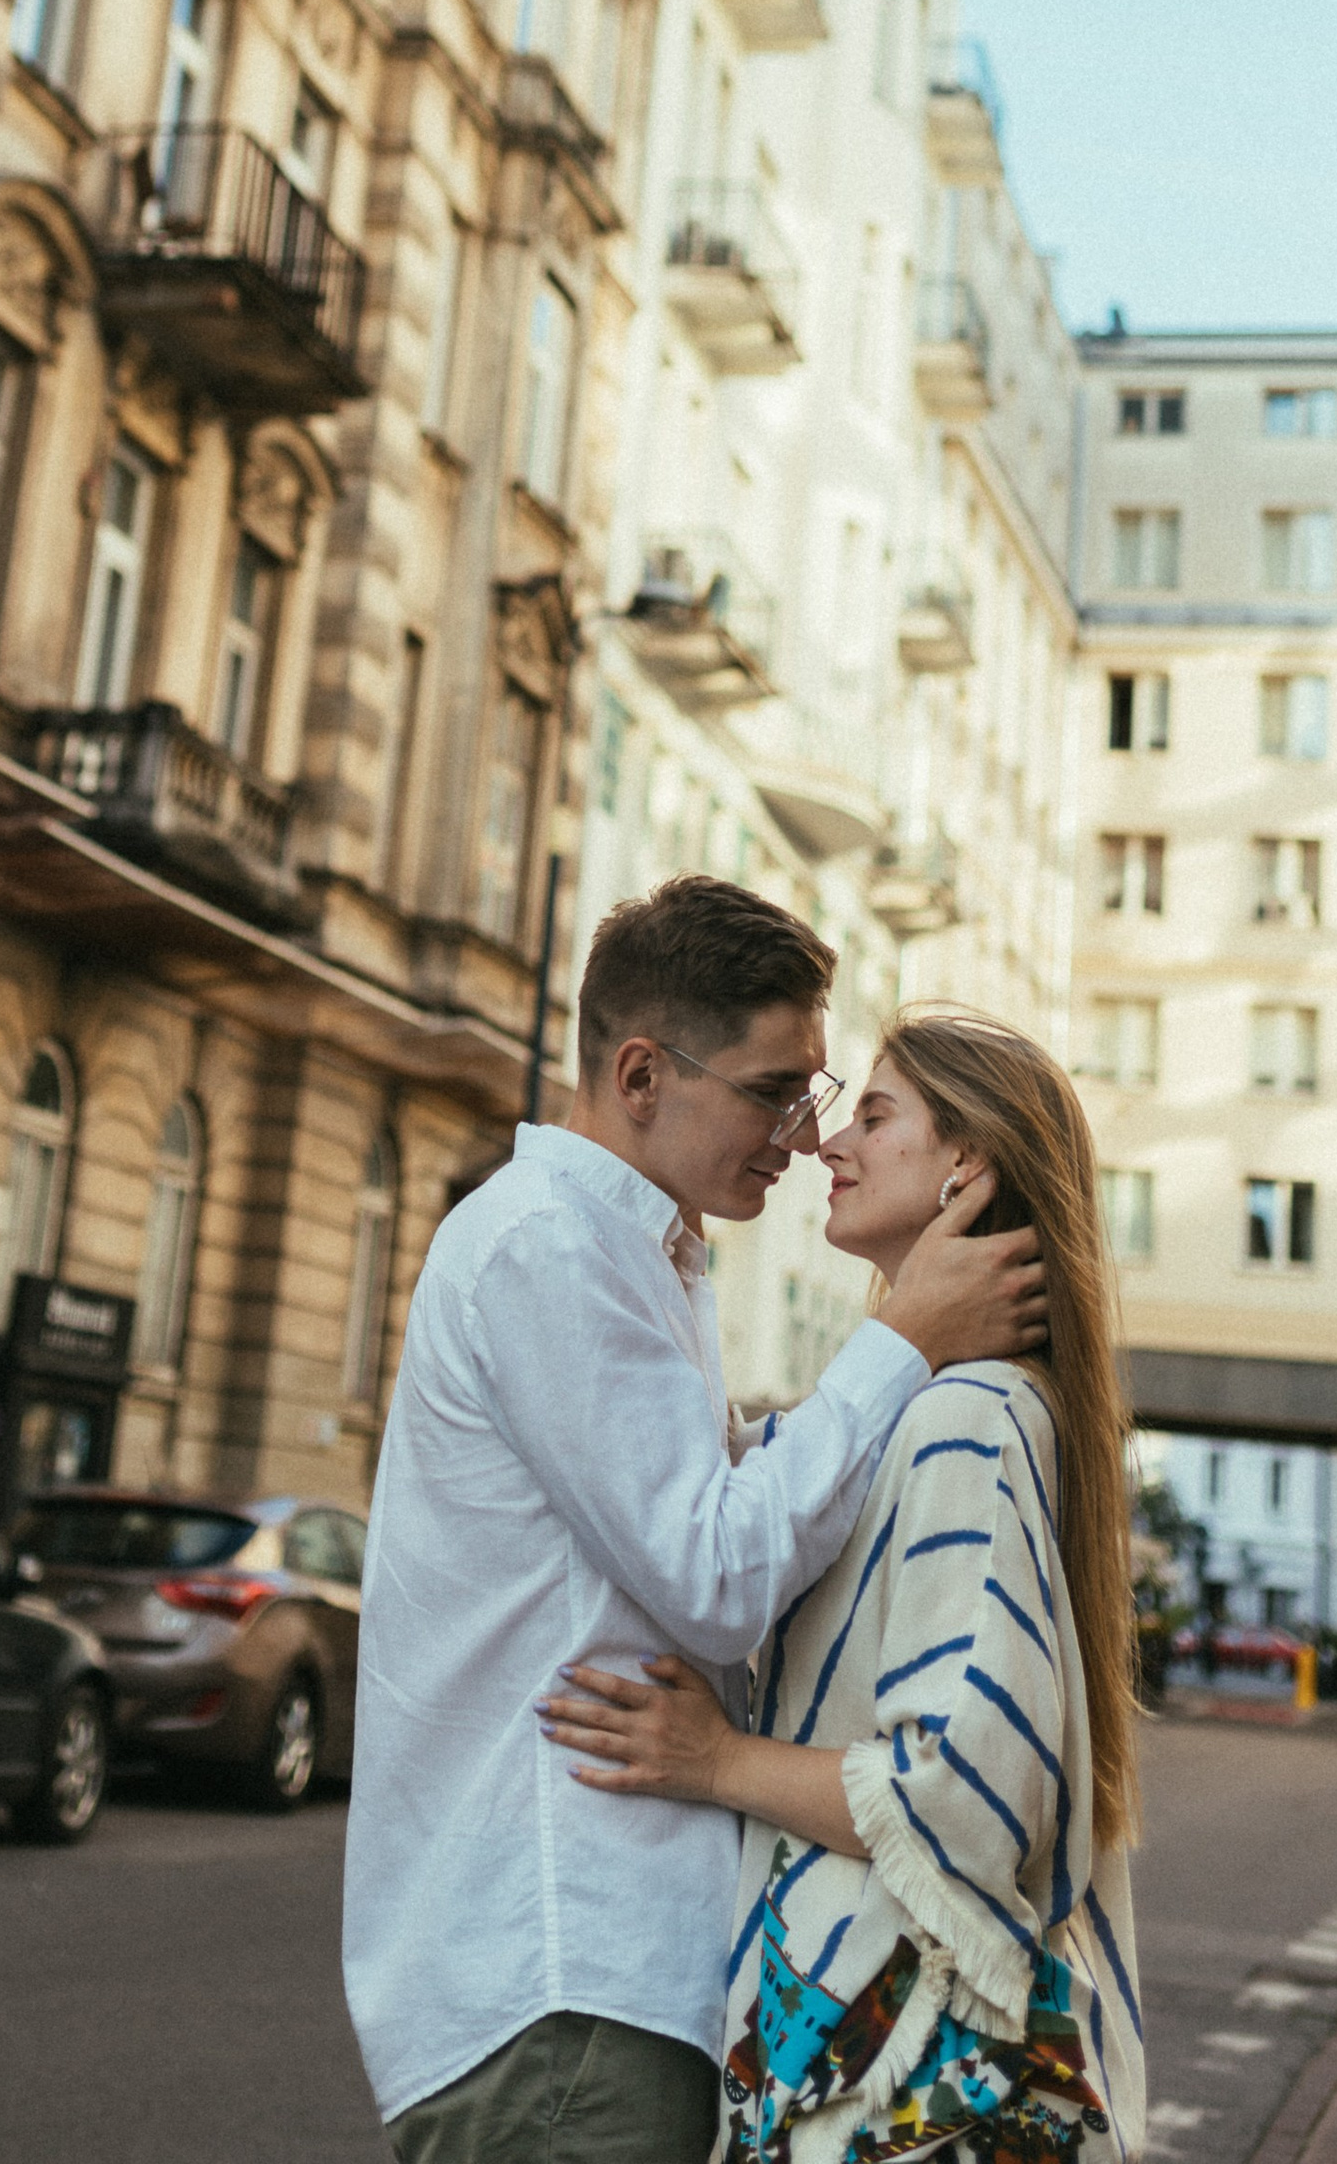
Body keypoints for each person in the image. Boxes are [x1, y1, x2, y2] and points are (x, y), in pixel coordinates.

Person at [345, 882, 1049, 2164]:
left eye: (822, 1096)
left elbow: (724, 1525)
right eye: (775, 1091)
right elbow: (716, 1576)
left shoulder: (638, 1256)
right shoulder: (548, 1249)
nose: (802, 1134)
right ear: (640, 1075)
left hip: (601, 1983)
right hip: (562, 1981)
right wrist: (899, 1339)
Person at [539, 1011, 1144, 2164]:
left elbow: (966, 1791)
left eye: (873, 1115)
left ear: (966, 1164)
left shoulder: (970, 1419)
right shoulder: (928, 1408)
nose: (828, 1143)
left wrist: (715, 1760)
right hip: (861, 2059)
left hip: (890, 2075)